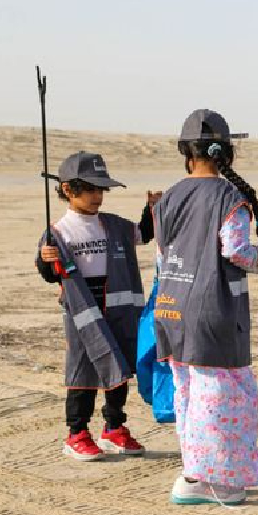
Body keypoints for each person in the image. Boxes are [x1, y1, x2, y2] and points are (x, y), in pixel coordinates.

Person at [154, 109, 258, 506]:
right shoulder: (230, 198)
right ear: (228, 154)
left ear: (186, 153)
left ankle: (192, 474)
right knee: (223, 398)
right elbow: (236, 250)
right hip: (213, 312)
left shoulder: (168, 196)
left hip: (170, 307)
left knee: (188, 393)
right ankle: (217, 480)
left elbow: (163, 251)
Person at [37, 151, 160, 461]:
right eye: (90, 189)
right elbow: (50, 274)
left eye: (100, 189)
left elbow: (143, 235)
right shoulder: (59, 232)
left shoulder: (115, 225)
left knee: (118, 368)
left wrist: (151, 209)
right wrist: (46, 261)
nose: (97, 197)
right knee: (83, 371)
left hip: (118, 311)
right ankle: (76, 433)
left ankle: (114, 428)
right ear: (68, 189)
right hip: (82, 313)